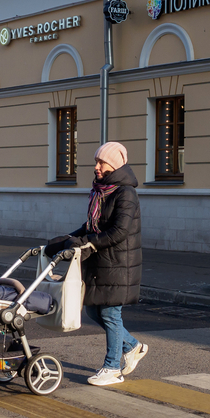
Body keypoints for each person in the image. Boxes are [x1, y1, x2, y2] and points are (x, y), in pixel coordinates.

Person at [45, 141, 147, 386]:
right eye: (97, 162)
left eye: (101, 162)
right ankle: (132, 346)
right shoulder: (102, 191)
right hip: (101, 261)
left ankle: (112, 368)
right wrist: (68, 240)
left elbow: (119, 231)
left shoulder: (125, 193)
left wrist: (90, 243)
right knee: (93, 309)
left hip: (118, 263)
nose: (97, 167)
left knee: (110, 313)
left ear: (114, 165)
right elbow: (91, 227)